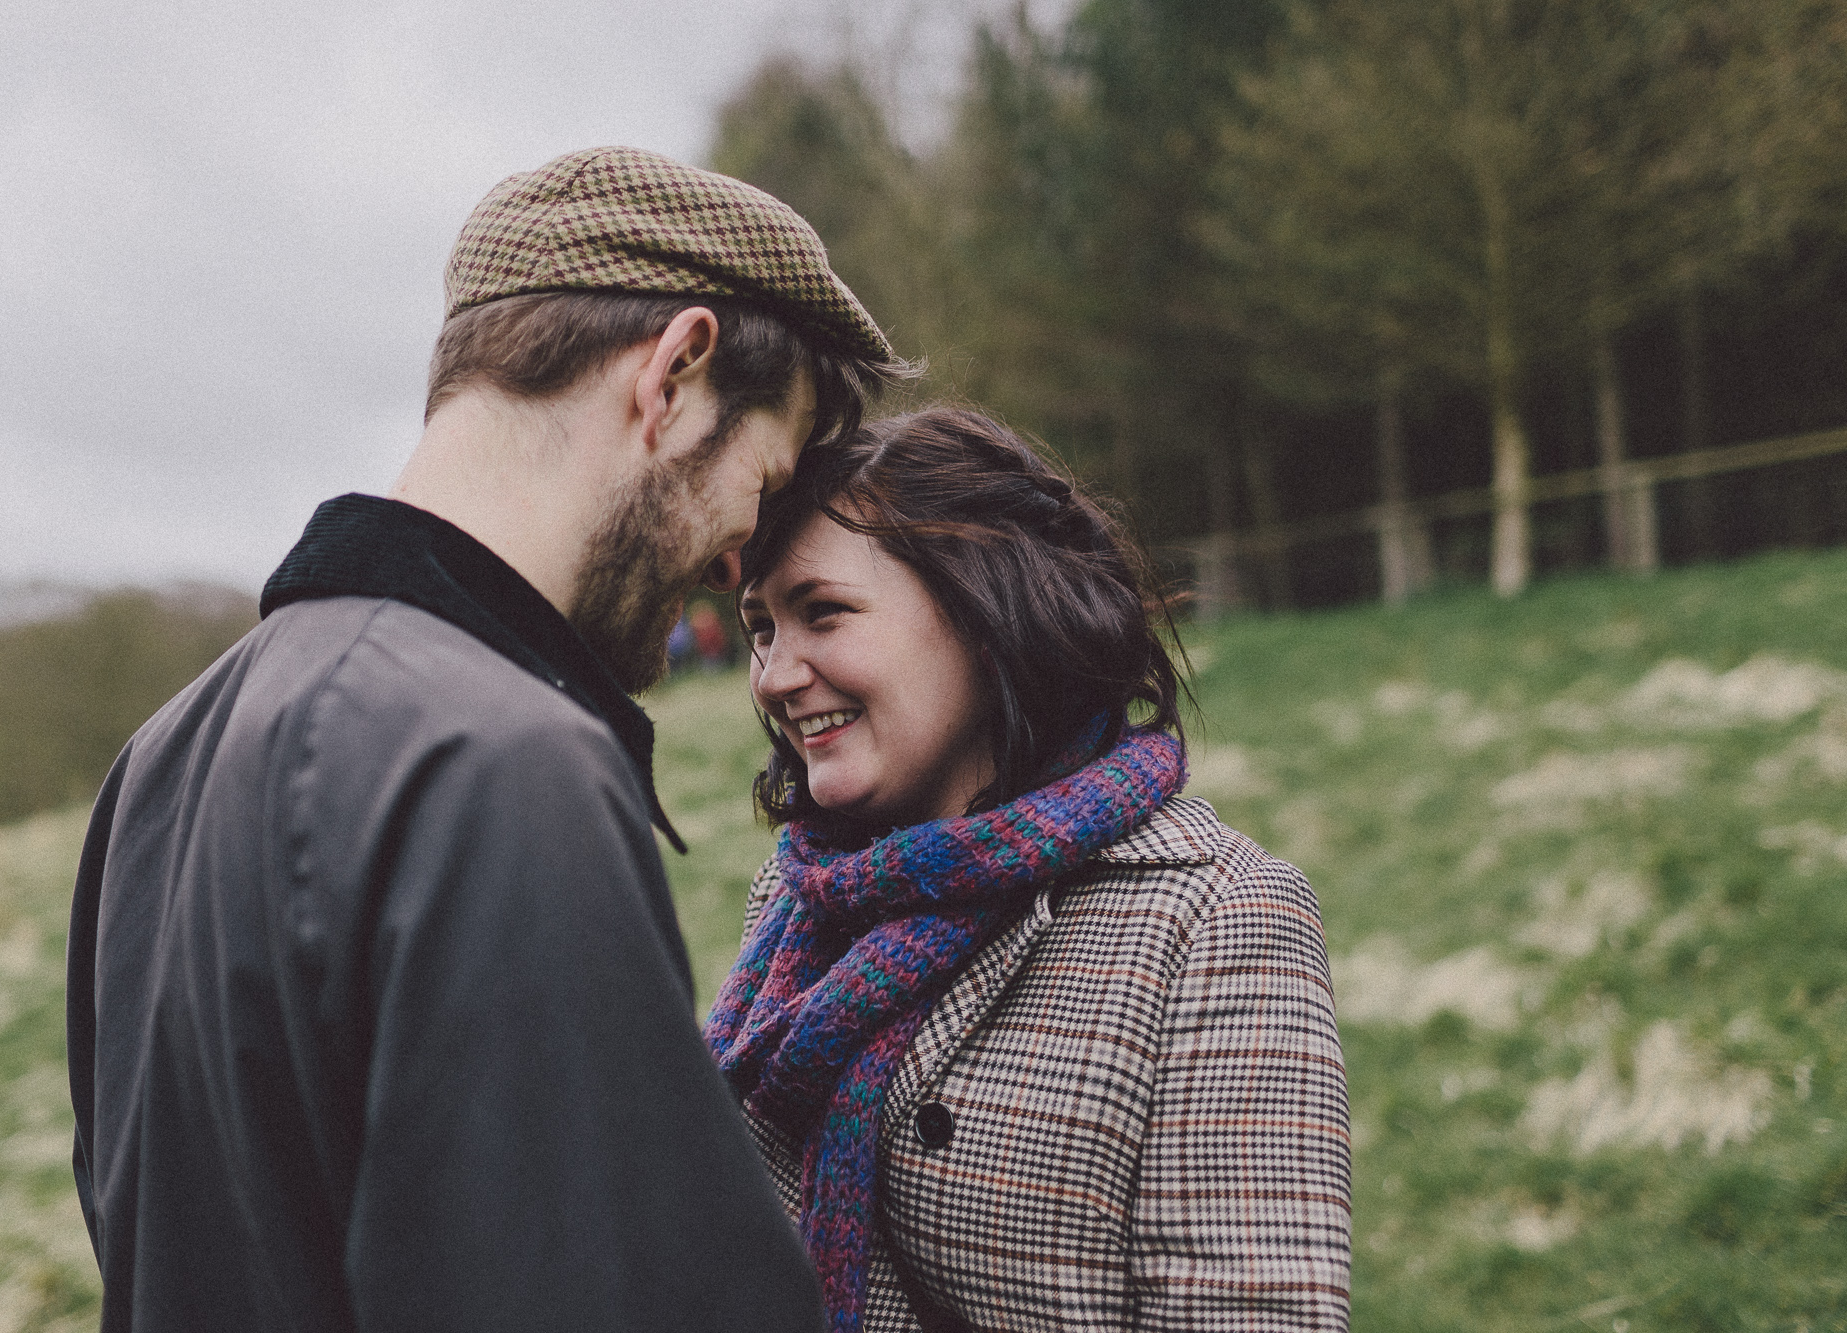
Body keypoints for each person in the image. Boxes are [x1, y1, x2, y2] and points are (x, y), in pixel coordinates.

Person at [66, 146, 910, 1332]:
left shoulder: (161, 754)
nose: (737, 561)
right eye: (759, 481)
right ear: (673, 372)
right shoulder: (503, 767)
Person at [708, 408, 1353, 1332]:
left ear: (984, 610)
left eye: (824, 612)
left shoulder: (1214, 916)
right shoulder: (802, 895)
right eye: (762, 627)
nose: (773, 674)